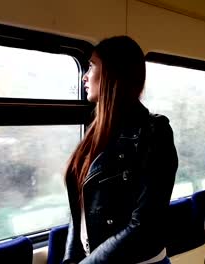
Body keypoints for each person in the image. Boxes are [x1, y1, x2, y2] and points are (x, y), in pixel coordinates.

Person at [62, 36, 178, 264]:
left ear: (113, 73)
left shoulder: (154, 133)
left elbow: (144, 226)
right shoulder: (96, 133)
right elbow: (81, 209)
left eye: (92, 66)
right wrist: (70, 259)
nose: (85, 76)